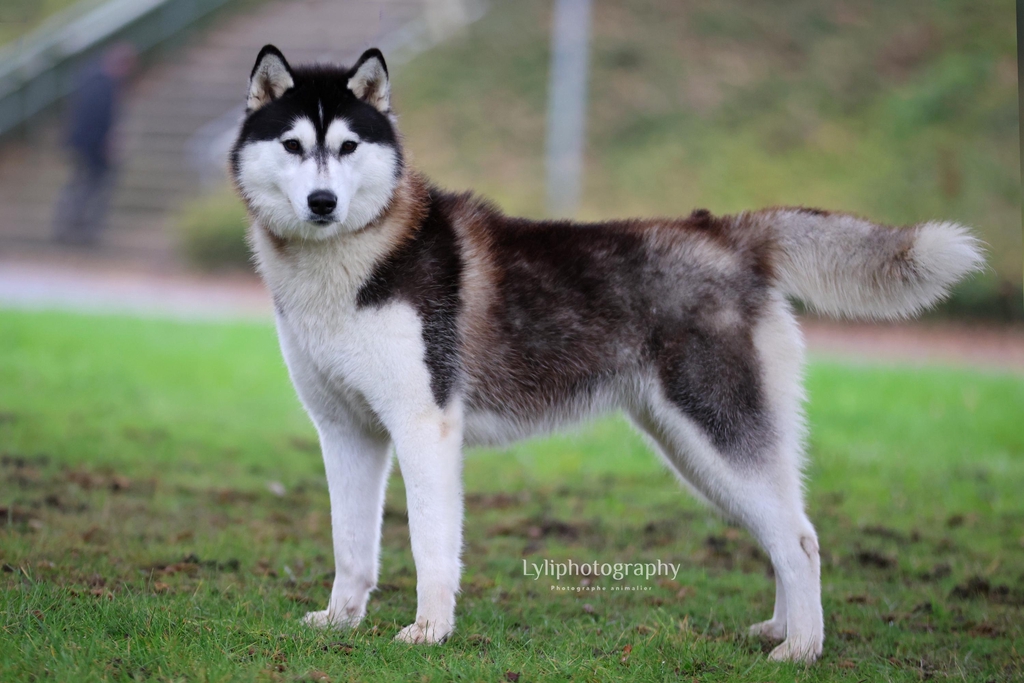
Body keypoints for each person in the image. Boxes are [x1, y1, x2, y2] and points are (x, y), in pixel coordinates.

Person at [53, 43, 137, 245]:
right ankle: (78, 231)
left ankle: (69, 229)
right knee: (89, 188)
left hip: (82, 145)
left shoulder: (89, 77)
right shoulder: (103, 84)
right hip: (92, 148)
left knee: (80, 186)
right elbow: (95, 119)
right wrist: (105, 144)